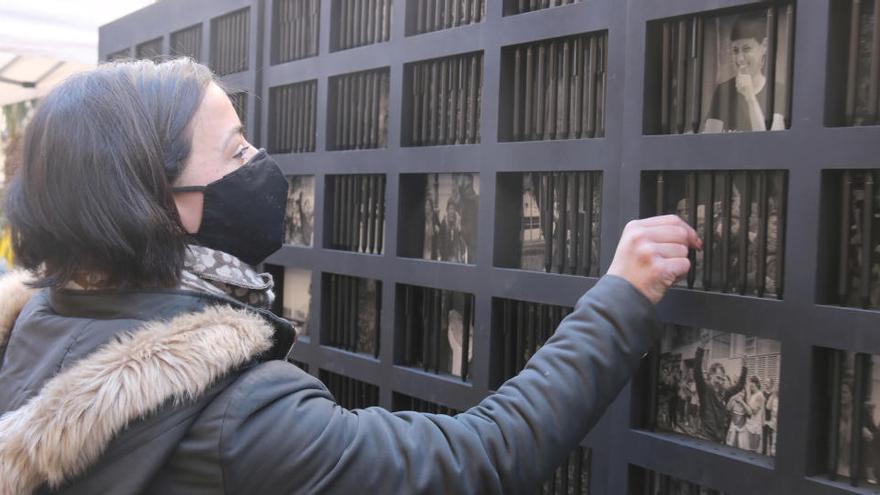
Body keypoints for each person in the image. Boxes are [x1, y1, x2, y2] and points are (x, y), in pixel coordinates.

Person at [0, 58, 701, 494]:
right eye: (237, 148)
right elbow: (485, 457)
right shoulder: (240, 420)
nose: (261, 163)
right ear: (161, 204)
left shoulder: (40, 324)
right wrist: (618, 300)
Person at [702, 12, 786, 133]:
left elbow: (771, 144)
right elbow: (709, 141)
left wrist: (750, 97)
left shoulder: (778, 91)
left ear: (764, 46)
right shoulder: (723, 91)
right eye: (735, 51)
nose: (740, 58)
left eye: (747, 49)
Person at [693, 335, 748, 443]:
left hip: (720, 438)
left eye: (722, 379)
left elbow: (740, 386)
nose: (720, 381)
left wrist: (744, 366)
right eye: (718, 378)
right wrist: (701, 346)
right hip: (706, 436)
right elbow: (696, 371)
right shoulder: (705, 389)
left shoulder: (725, 392)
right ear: (711, 375)